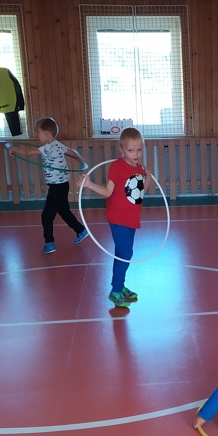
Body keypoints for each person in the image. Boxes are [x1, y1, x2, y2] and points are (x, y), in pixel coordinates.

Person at [78, 127, 151, 307]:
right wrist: (89, 185)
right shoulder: (117, 167)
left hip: (131, 219)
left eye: (139, 150)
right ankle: (116, 290)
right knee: (125, 253)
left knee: (123, 253)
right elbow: (107, 192)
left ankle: (120, 285)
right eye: (131, 150)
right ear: (122, 149)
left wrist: (148, 177)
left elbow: (141, 192)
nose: (135, 154)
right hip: (118, 217)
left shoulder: (139, 169)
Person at [8, 117, 88, 254]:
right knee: (64, 211)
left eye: (37, 131)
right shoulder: (58, 145)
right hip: (63, 185)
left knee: (46, 216)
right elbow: (72, 152)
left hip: (57, 187)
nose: (36, 134)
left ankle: (49, 243)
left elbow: (28, 152)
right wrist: (81, 159)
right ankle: (81, 230)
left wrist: (14, 148)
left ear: (46, 133)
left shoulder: (47, 148)